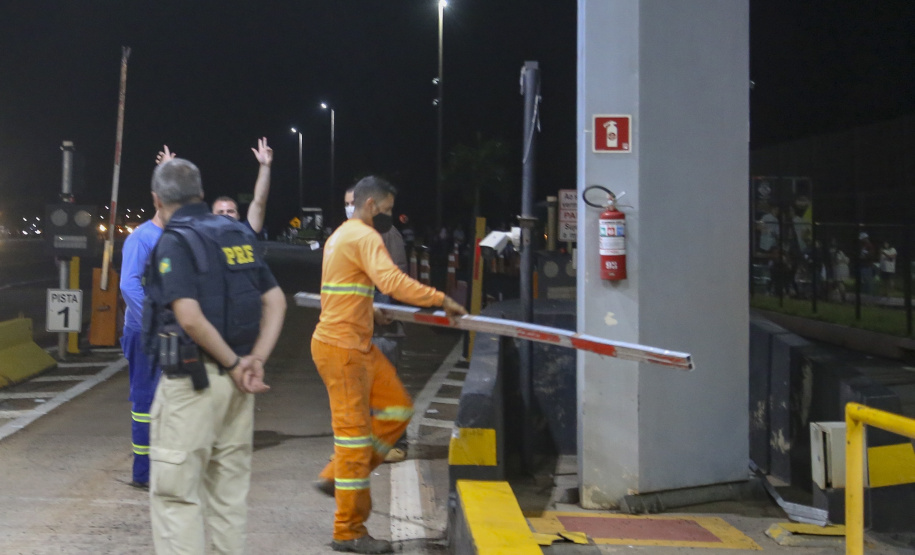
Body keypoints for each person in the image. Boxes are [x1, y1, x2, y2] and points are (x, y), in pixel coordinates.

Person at [312, 176, 466, 553]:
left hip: (358, 344)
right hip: (342, 351)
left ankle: (340, 474)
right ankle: (348, 531)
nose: (391, 216)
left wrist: (370, 311)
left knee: (398, 410)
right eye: (387, 209)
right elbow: (393, 281)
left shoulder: (340, 236)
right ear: (370, 206)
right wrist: (440, 298)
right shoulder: (363, 236)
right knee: (352, 442)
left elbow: (346, 287)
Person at [143, 157, 286, 554]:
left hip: (193, 385)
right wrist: (254, 359)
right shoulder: (237, 234)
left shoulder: (174, 240)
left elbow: (189, 318)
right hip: (238, 390)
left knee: (177, 498)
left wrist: (232, 362)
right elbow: (275, 300)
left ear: (157, 199)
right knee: (228, 499)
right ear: (201, 194)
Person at [344, 186, 409, 464]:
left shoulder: (385, 235)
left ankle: (396, 443)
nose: (349, 209)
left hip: (382, 331)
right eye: (346, 204)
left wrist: (375, 308)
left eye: (352, 203)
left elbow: (392, 282)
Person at [119, 209, 164, 489]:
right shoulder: (142, 238)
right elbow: (128, 285)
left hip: (171, 331)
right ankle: (143, 473)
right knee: (145, 404)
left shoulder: (178, 235)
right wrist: (152, 322)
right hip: (144, 333)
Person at [157, 137, 273, 234]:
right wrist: (168, 171)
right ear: (211, 216)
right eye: (220, 212)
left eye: (230, 211)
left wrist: (265, 166)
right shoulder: (202, 237)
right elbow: (174, 208)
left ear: (238, 215)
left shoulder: (245, 231)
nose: (226, 215)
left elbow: (259, 201)